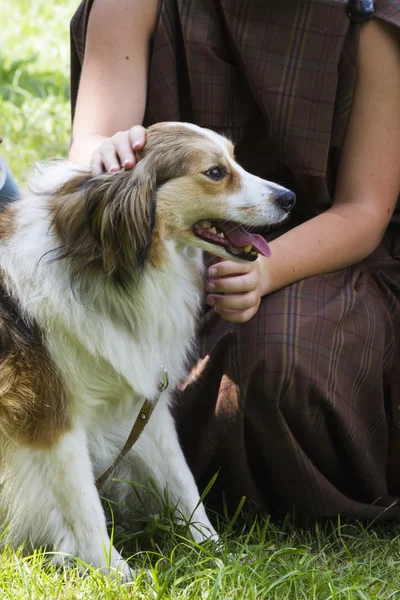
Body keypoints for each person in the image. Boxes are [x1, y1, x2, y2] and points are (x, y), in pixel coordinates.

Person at [69, 0, 400, 520]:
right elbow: (93, 146)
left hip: (324, 259)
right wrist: (105, 150)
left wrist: (263, 270)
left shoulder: (373, 15)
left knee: (279, 359)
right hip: (157, 252)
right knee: (111, 356)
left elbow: (364, 209)